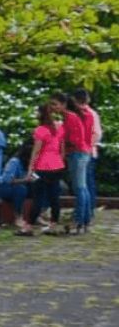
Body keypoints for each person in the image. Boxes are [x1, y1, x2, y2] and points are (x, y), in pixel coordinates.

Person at [24, 104, 65, 235]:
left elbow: (36, 152)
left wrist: (30, 169)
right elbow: (62, 149)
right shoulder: (59, 127)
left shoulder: (40, 130)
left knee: (38, 197)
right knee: (54, 197)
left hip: (41, 168)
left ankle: (28, 226)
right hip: (57, 166)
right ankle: (53, 225)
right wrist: (60, 160)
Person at [58, 92, 93, 234]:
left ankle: (79, 221)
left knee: (79, 188)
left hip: (77, 152)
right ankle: (84, 221)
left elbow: (74, 138)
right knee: (83, 188)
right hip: (84, 151)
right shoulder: (87, 114)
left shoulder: (71, 117)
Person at [72, 90, 103, 221]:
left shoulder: (89, 114)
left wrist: (85, 146)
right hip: (85, 151)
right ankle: (84, 211)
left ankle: (87, 211)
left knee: (85, 185)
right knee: (84, 184)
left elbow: (96, 134)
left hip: (86, 152)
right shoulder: (84, 113)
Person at [0, 141, 33, 229]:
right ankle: (18, 217)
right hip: (6, 188)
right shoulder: (15, 162)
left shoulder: (31, 164)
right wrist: (25, 180)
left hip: (25, 186)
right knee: (21, 189)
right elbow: (8, 180)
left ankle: (39, 214)